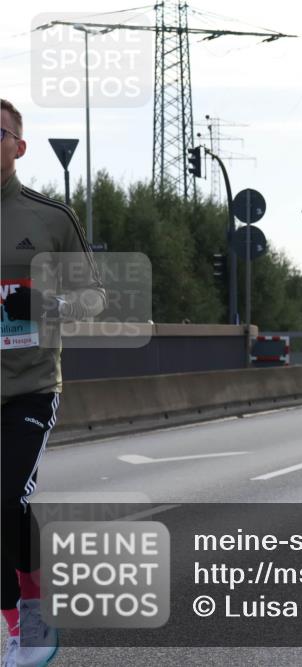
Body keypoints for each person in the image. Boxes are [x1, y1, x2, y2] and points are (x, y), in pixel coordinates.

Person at [2, 98, 107, 667]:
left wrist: (44, 302)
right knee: (6, 508)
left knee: (1, 499)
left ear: (19, 146)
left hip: (31, 385)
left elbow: (93, 298)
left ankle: (27, 622)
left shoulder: (50, 217)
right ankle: (27, 616)